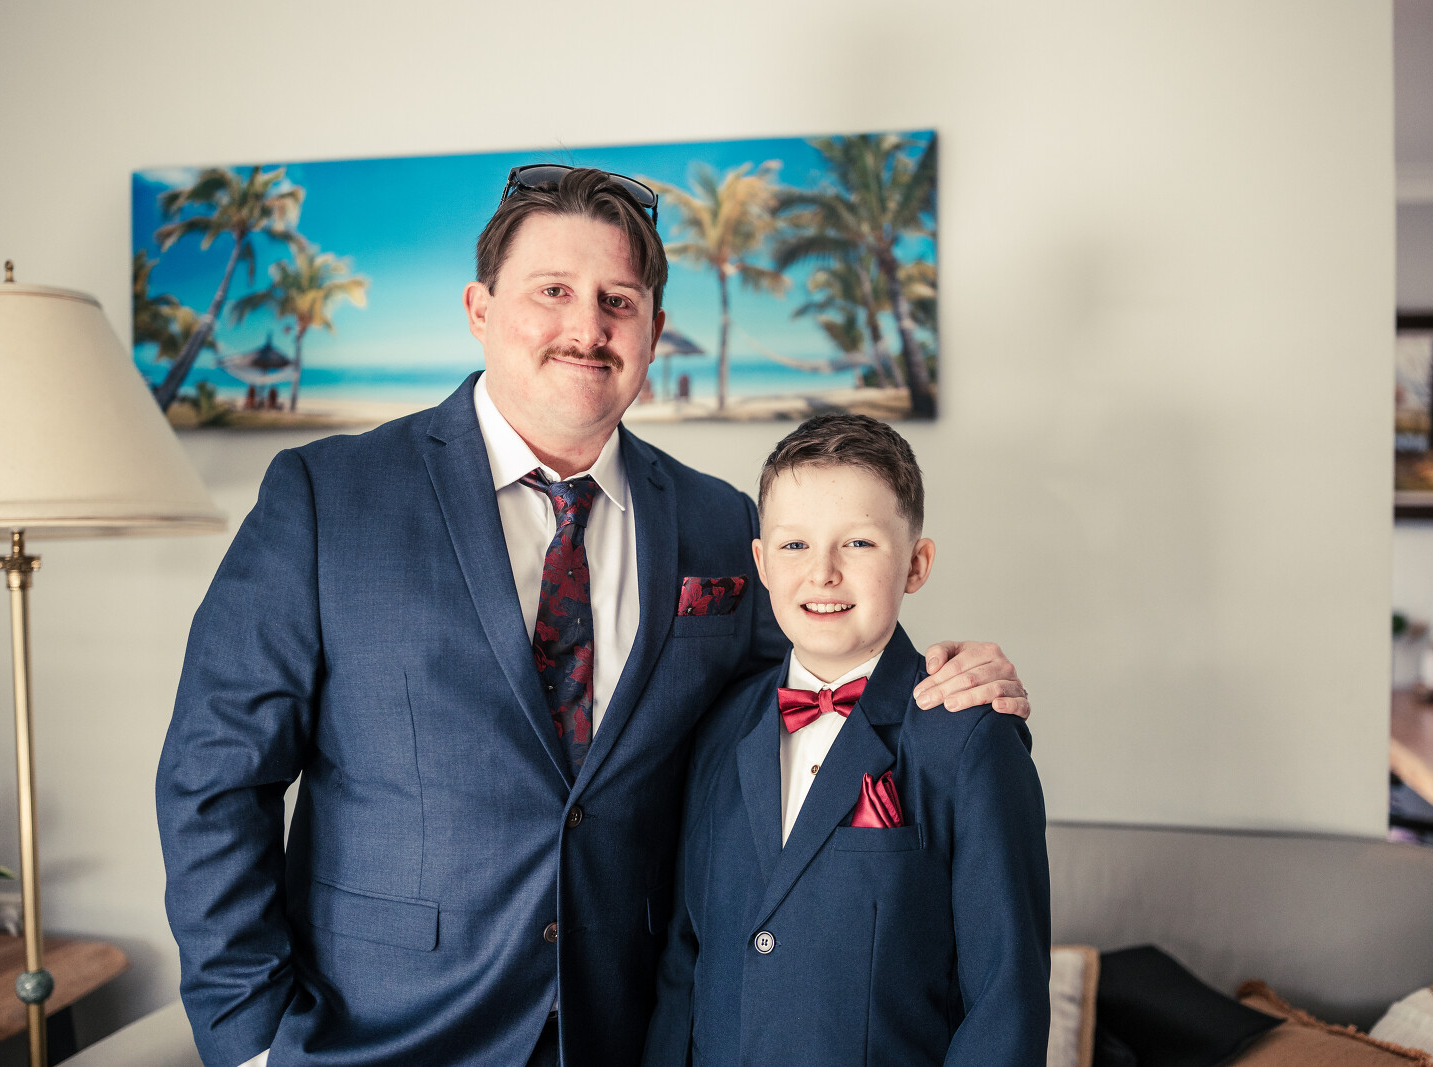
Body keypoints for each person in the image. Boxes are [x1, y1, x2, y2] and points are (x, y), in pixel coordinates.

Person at [156, 166, 1032, 1067]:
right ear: (480, 308)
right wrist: (248, 1038)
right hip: (377, 1036)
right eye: (553, 291)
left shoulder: (720, 523)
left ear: (653, 332)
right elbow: (212, 778)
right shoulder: (327, 496)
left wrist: (953, 684)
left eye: (619, 300)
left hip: (623, 1031)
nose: (587, 327)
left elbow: (820, 688)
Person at [642, 414, 1050, 1067]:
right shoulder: (718, 727)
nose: (823, 572)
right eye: (795, 545)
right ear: (761, 563)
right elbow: (685, 956)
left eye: (858, 543)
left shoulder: (969, 735)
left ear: (916, 563)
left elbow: (1005, 1002)